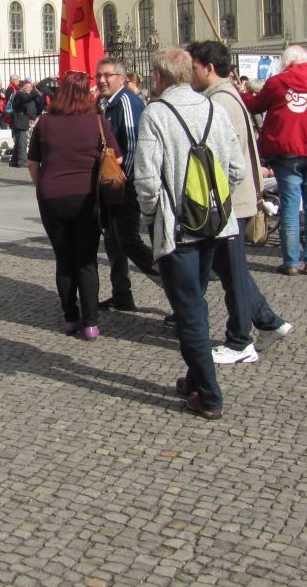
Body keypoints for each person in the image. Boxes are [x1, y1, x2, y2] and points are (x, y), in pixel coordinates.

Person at [134, 48, 245, 421]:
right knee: (194, 300)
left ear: (160, 76)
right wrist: (215, 202)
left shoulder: (156, 114)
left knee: (189, 311)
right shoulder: (214, 108)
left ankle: (209, 395)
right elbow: (237, 168)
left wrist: (152, 217)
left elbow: (146, 180)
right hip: (213, 224)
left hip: (177, 228)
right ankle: (196, 379)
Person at [187, 41, 294, 365]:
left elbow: (222, 158)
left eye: (193, 68)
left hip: (229, 201)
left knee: (232, 273)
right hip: (234, 198)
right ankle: (268, 321)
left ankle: (239, 341)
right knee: (229, 268)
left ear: (208, 68)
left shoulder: (219, 102)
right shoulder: (226, 96)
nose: (190, 74)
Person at [27, 71, 118, 340]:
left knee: (64, 259)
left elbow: (33, 162)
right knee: (86, 261)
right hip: (86, 196)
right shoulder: (97, 122)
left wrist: (41, 184)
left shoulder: (45, 122)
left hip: (51, 196)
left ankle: (70, 317)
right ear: (85, 94)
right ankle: (90, 322)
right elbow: (117, 159)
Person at [243, 45, 307, 275]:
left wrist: (240, 93)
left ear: (286, 63)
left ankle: (290, 262)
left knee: (290, 207)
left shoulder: (277, 82)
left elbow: (255, 105)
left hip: (286, 152)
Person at [96, 56, 157, 311]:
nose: (101, 80)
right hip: (111, 185)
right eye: (99, 75)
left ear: (121, 78)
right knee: (113, 240)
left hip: (125, 185)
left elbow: (133, 146)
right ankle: (121, 293)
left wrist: (124, 181)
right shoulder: (105, 103)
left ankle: (177, 292)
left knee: (130, 241)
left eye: (107, 75)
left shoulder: (126, 102)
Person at [8, 79, 39, 168]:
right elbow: (26, 99)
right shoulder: (20, 93)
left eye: (30, 87)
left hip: (22, 121)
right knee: (22, 142)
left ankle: (14, 161)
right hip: (19, 121)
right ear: (23, 87)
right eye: (27, 87)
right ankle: (22, 161)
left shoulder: (25, 95)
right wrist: (35, 94)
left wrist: (32, 117)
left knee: (19, 142)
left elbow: (30, 106)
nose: (29, 89)